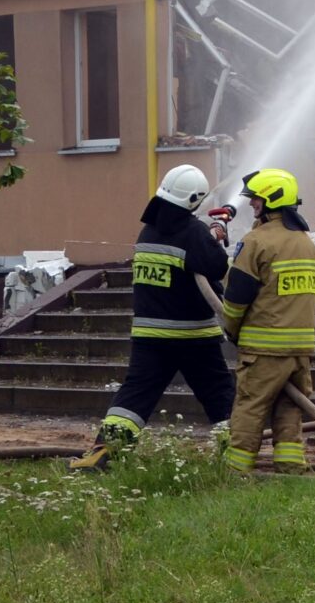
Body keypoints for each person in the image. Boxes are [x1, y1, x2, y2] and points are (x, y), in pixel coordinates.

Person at [68, 164, 236, 472]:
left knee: (133, 397)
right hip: (192, 335)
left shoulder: (149, 232)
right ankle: (237, 455)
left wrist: (207, 236)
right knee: (219, 394)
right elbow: (217, 268)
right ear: (194, 199)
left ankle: (103, 453)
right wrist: (215, 237)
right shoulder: (193, 232)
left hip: (149, 336)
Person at [218, 168, 315, 475]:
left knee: (250, 406)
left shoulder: (256, 242)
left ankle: (236, 470)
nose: (252, 205)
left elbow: (236, 297)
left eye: (257, 200)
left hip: (263, 348)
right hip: (300, 349)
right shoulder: (306, 243)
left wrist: (231, 331)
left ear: (271, 202)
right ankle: (289, 464)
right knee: (289, 407)